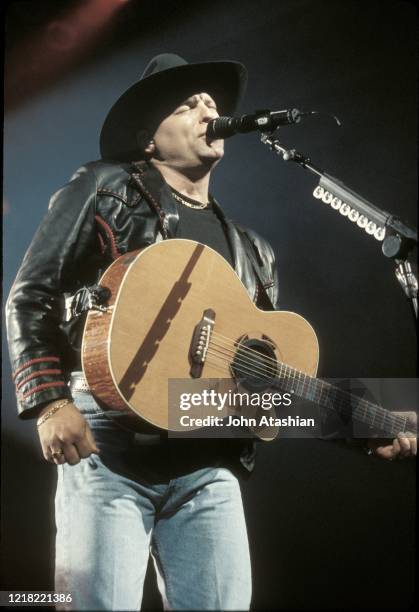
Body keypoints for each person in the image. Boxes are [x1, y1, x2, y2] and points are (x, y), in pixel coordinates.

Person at [6, 53, 416, 611]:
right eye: (188, 104)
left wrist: (367, 423)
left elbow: (269, 388)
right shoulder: (103, 188)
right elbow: (29, 294)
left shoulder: (254, 254)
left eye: (211, 104)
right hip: (110, 446)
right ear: (149, 139)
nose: (208, 110)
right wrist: (50, 403)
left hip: (207, 463)